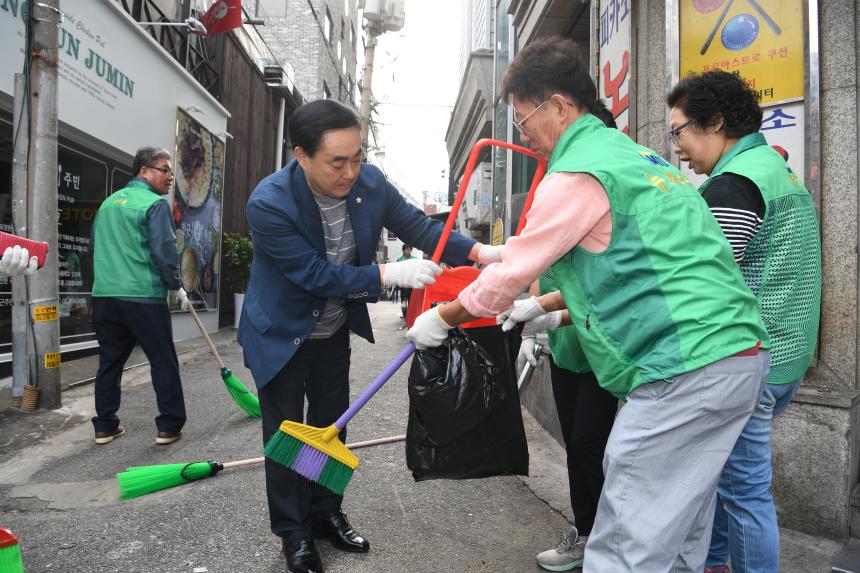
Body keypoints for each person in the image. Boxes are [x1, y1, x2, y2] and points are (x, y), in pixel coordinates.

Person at [407, 36, 770, 572]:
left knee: (625, 538)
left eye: (524, 119)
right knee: (682, 527)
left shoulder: (577, 172)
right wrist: (550, 308)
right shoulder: (634, 155)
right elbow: (630, 265)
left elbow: (510, 275)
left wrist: (440, 317)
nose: (523, 134)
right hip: (738, 354)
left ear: (558, 106)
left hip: (683, 365)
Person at [237, 99, 502, 573]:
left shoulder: (370, 183)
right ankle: (294, 533)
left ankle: (325, 512)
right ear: (301, 155)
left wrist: (484, 252)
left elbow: (420, 226)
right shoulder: (269, 203)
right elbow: (313, 275)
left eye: (357, 157)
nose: (350, 171)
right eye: (337, 161)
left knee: (332, 428)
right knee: (288, 436)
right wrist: (387, 274)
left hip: (332, 332)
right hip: (279, 335)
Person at [667, 71, 821, 573]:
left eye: (680, 132)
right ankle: (713, 563)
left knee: (745, 492)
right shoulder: (774, 169)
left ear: (714, 123)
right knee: (728, 480)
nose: (678, 149)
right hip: (787, 355)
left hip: (752, 361)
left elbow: (700, 284)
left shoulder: (734, 183)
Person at [515, 100, 619, 572]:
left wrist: (548, 314)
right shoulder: (557, 185)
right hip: (564, 347)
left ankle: (600, 538)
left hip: (604, 350)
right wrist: (537, 330)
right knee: (578, 446)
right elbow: (543, 263)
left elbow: (606, 287)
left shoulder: (604, 186)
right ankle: (587, 532)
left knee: (593, 446)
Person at [90, 146, 189, 446]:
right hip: (142, 296)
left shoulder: (107, 204)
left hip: (105, 296)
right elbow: (164, 250)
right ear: (144, 171)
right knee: (162, 360)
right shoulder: (154, 204)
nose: (171, 176)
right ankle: (169, 425)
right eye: (165, 169)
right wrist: (175, 285)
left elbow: (93, 248)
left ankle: (105, 425)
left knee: (110, 361)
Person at [396, 244, 415, 316]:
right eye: (406, 249)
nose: (408, 251)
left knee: (411, 300)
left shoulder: (414, 259)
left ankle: (410, 314)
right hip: (403, 282)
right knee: (403, 297)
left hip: (411, 282)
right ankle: (404, 314)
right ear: (403, 250)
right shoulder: (399, 259)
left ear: (411, 250)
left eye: (409, 249)